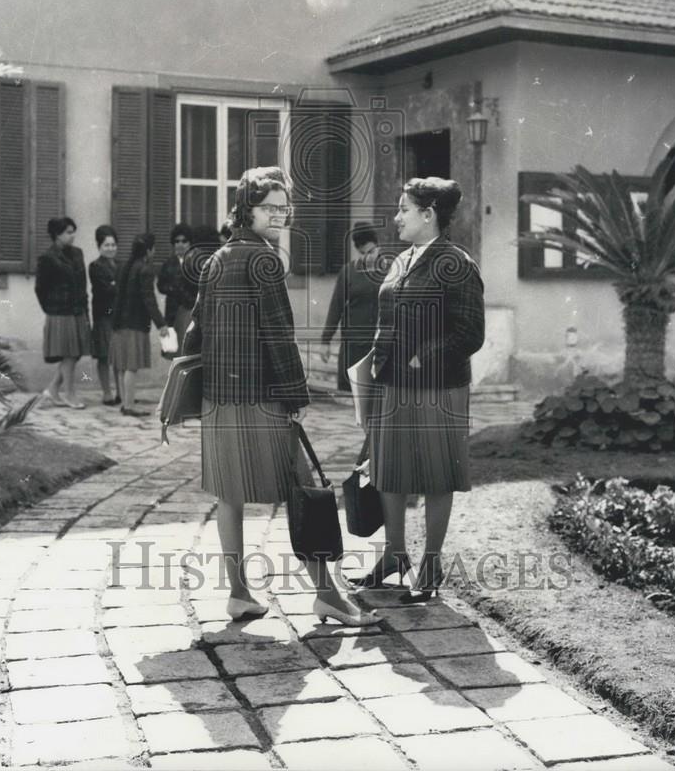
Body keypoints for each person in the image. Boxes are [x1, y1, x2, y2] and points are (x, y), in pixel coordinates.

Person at [184, 166, 378, 627]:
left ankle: (238, 594)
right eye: (268, 206)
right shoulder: (265, 259)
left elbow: (196, 331)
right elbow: (279, 334)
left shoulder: (216, 259)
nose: (279, 214)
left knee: (229, 494)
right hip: (262, 396)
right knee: (303, 487)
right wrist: (295, 393)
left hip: (219, 398)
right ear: (246, 209)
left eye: (283, 207)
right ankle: (327, 595)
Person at [352, 177, 485, 602]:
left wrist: (422, 357)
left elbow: (470, 333)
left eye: (404, 209)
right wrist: (374, 359)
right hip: (392, 384)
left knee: (435, 471)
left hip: (437, 389)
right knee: (388, 469)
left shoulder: (458, 264)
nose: (397, 217)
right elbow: (386, 318)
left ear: (428, 215)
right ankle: (394, 555)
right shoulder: (401, 260)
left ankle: (430, 563)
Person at [35, 217, 91, 409]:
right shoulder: (48, 258)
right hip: (59, 312)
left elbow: (83, 285)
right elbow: (40, 288)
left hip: (77, 311)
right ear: (57, 235)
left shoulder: (77, 254)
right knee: (68, 353)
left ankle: (52, 389)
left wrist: (84, 310)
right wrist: (50, 308)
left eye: (73, 231)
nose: (72, 235)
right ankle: (69, 394)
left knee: (74, 354)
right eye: (68, 232)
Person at [110, 233, 169, 417]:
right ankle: (129, 405)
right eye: (154, 248)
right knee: (131, 366)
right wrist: (161, 324)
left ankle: (125, 402)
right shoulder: (145, 269)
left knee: (122, 365)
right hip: (135, 325)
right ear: (149, 250)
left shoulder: (125, 267)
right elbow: (149, 300)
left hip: (120, 323)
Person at [319, 222, 382, 392]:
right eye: (362, 253)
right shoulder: (348, 272)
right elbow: (336, 308)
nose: (367, 257)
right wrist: (325, 341)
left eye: (371, 252)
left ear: (378, 247)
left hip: (378, 348)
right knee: (348, 399)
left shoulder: (390, 272)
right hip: (352, 349)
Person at [89, 224, 121, 406]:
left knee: (117, 355)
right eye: (107, 245)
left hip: (118, 316)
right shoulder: (95, 266)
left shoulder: (120, 265)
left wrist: (114, 284)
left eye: (113, 245)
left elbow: (118, 288)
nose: (111, 249)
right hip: (103, 315)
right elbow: (105, 290)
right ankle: (107, 392)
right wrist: (115, 285)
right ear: (99, 247)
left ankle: (120, 391)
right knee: (104, 355)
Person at [157, 223, 198, 355]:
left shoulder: (196, 262)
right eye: (176, 241)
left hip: (190, 311)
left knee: (189, 350)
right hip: (173, 311)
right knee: (174, 350)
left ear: (190, 243)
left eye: (184, 241)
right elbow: (160, 286)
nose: (180, 244)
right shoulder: (168, 263)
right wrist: (172, 288)